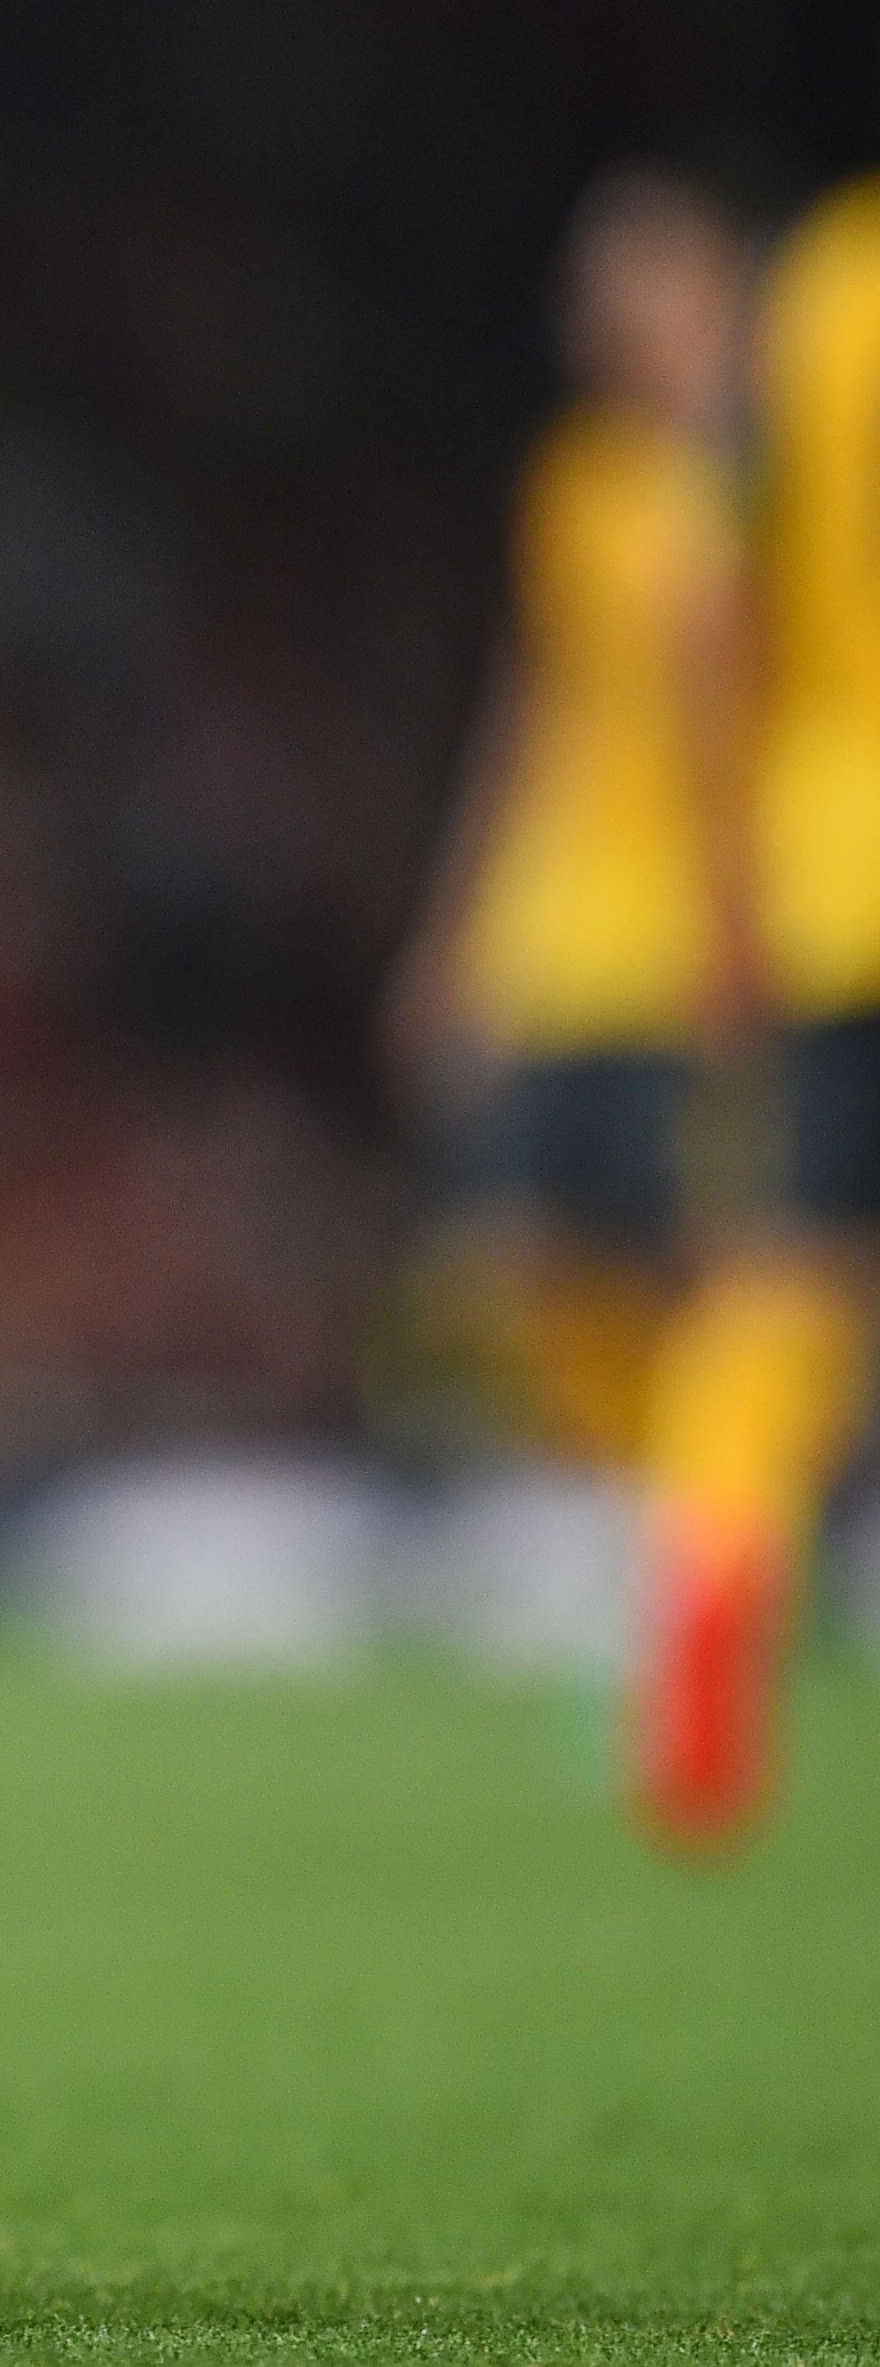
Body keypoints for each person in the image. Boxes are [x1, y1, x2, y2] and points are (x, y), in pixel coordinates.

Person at [386, 173, 755, 1470]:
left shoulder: (769, 489)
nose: (611, 317)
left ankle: (730, 1510)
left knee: (721, 1259)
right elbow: (537, 709)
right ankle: (657, 1504)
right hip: (564, 937)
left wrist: (748, 933)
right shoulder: (576, 484)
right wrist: (452, 937)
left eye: (647, 284)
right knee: (518, 1256)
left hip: (705, 939)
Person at [626, 153, 880, 1853]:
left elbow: (718, 605)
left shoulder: (818, 292)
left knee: (788, 1271)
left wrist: (726, 887)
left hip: (839, 862)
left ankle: (715, 1581)